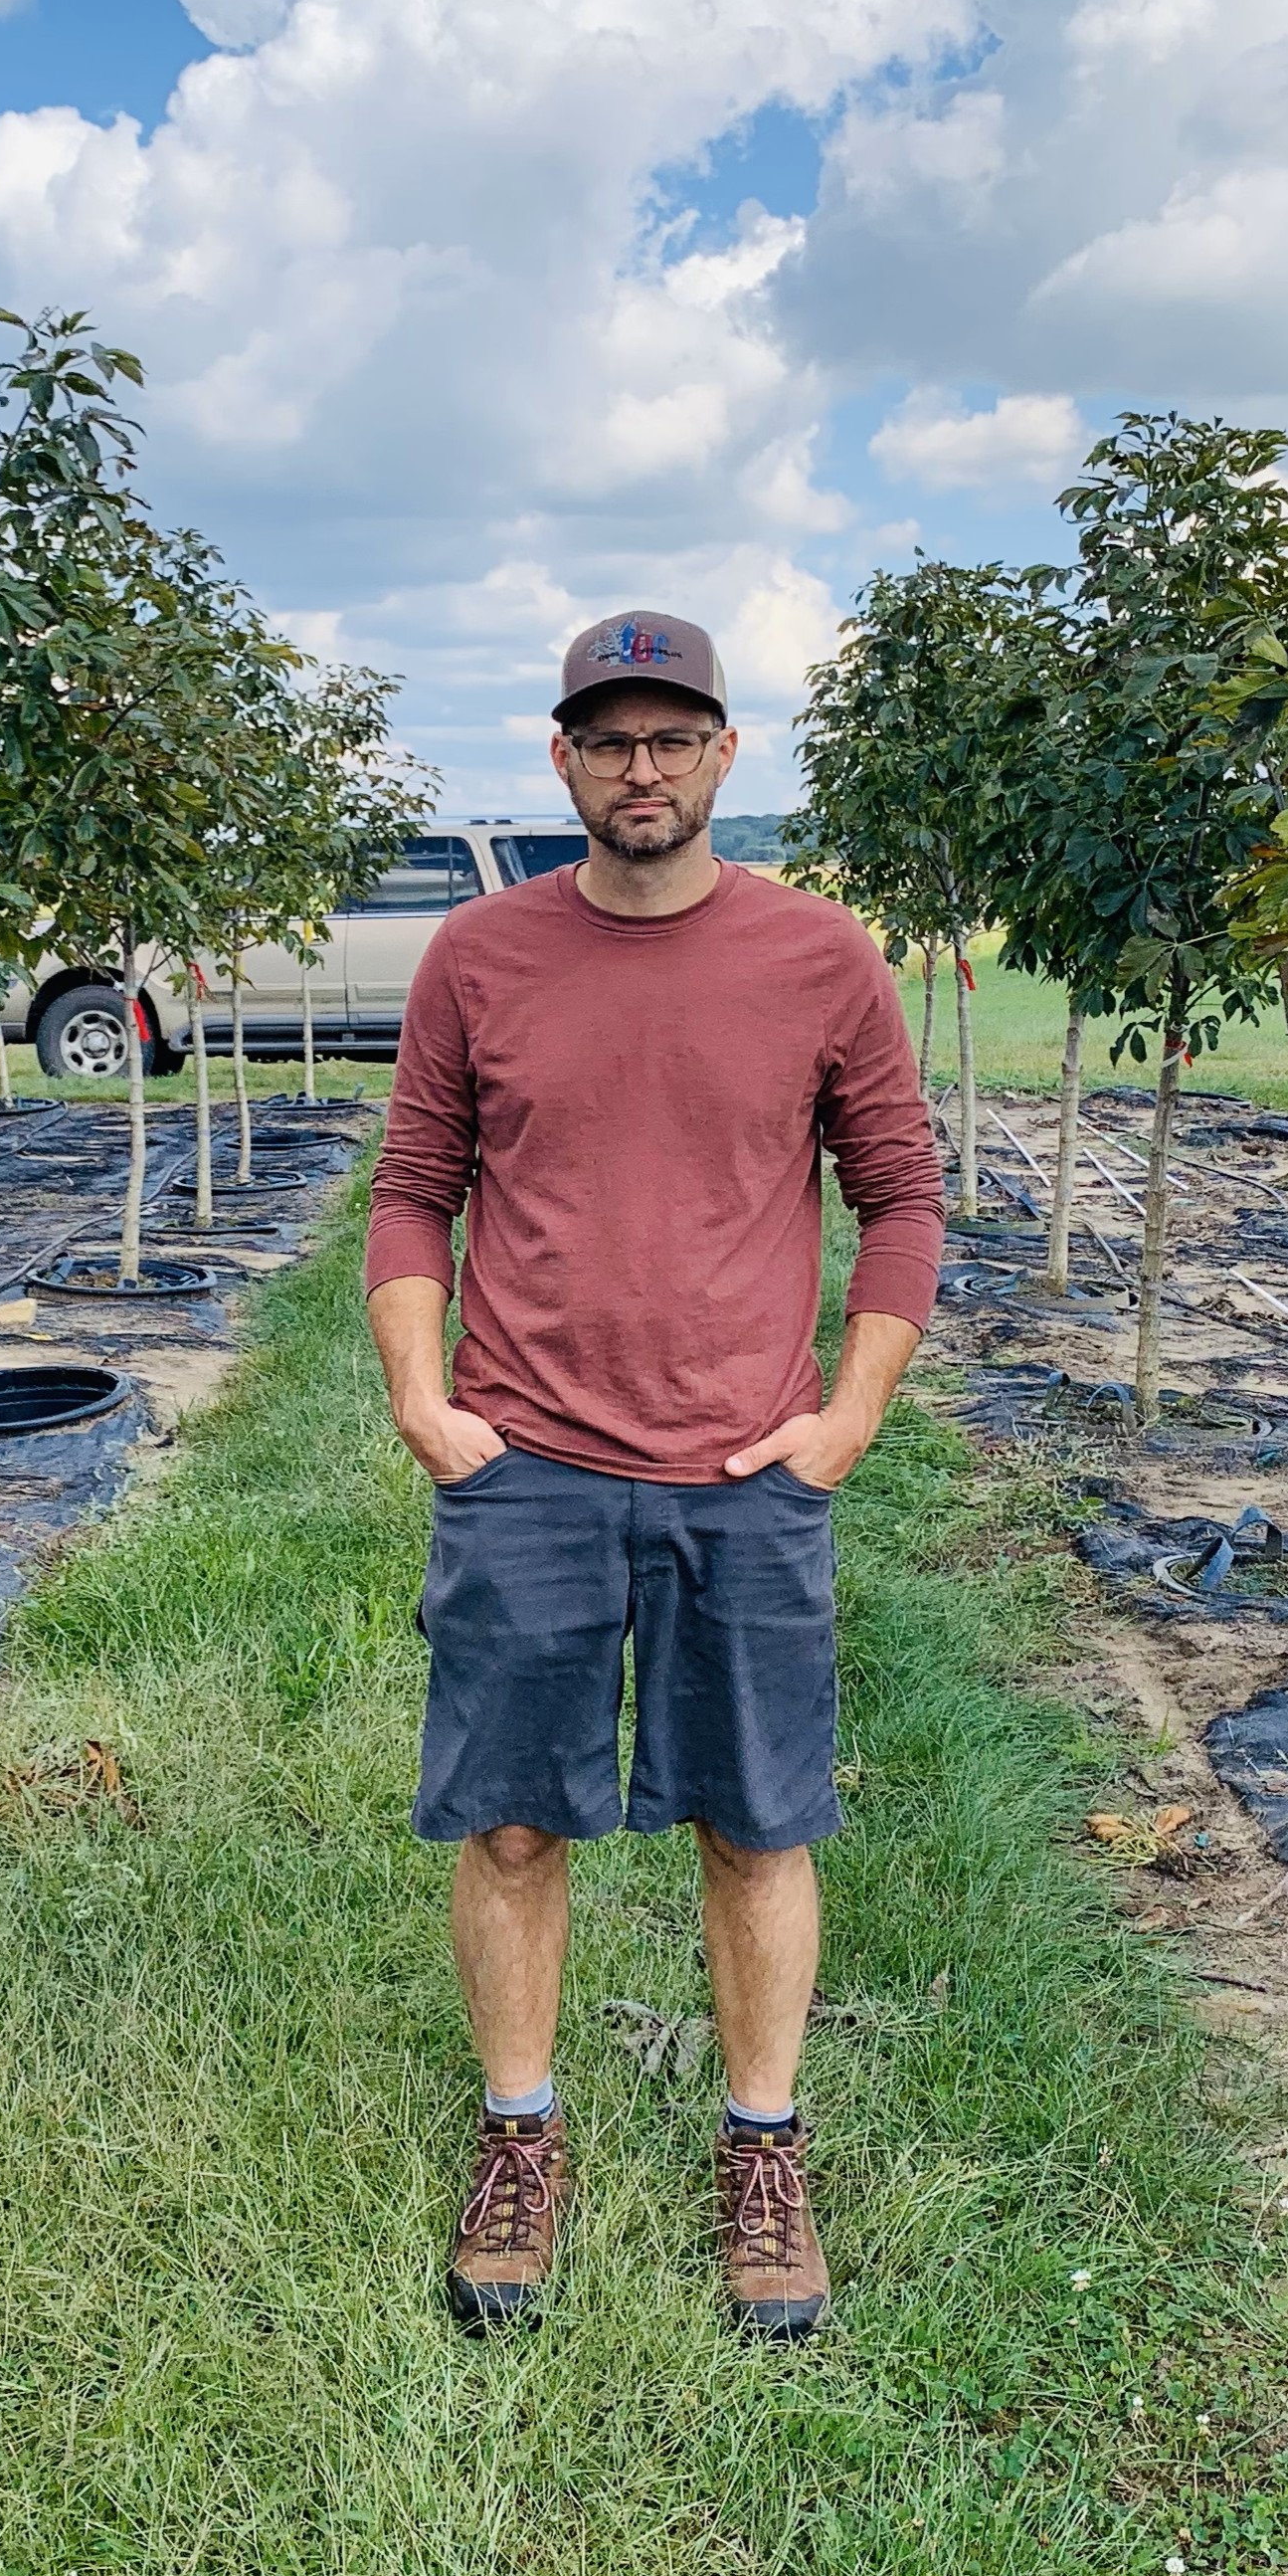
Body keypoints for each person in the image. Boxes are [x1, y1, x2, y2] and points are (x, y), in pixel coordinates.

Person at [364, 608, 944, 2338]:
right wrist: (423, 1396)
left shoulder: (821, 958)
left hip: (743, 1470)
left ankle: (762, 2155)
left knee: (759, 1827)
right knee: (514, 1821)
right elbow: (413, 1185)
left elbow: (901, 1198)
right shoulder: (477, 957)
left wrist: (847, 1421)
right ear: (561, 757)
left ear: (721, 756)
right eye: (608, 740)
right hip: (526, 1459)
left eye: (670, 739)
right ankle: (520, 2141)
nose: (640, 769)